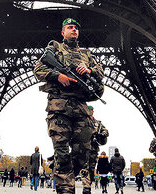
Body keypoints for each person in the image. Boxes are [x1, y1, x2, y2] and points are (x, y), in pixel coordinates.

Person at [33, 18, 104, 194]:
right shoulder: (55, 48)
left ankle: (65, 174)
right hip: (59, 108)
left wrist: (89, 71)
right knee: (62, 153)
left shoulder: (87, 54)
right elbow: (38, 69)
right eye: (70, 27)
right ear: (62, 32)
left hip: (81, 109)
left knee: (82, 155)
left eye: (76, 28)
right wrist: (58, 76)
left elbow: (100, 73)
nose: (74, 30)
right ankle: (65, 189)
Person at [87, 105, 109, 189]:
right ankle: (86, 186)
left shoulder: (97, 123)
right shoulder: (80, 121)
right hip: (82, 148)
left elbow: (106, 130)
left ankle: (88, 184)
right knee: (83, 167)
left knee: (91, 167)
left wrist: (103, 134)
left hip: (93, 148)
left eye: (91, 110)